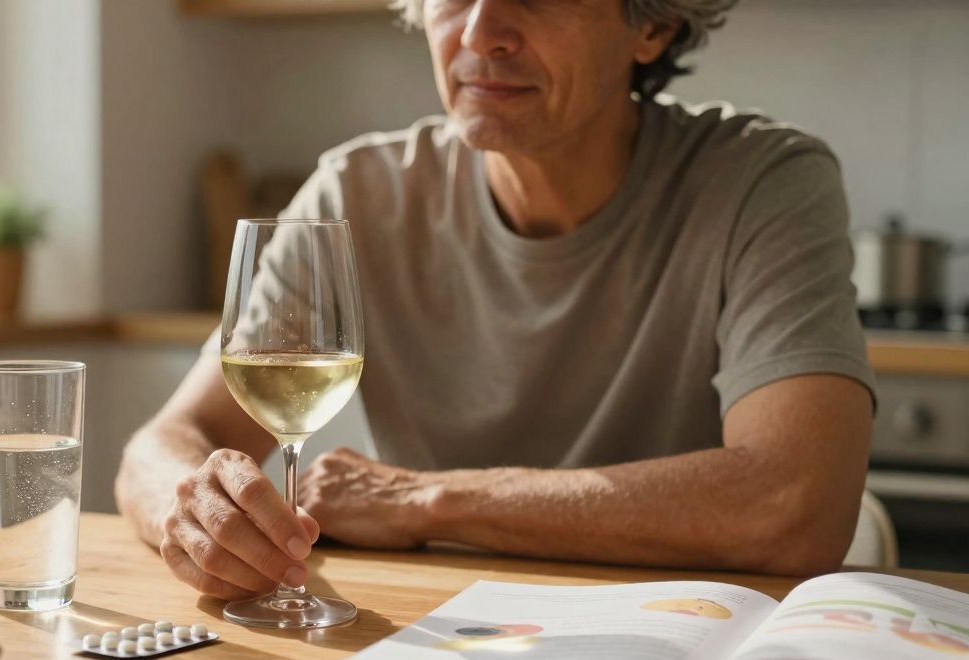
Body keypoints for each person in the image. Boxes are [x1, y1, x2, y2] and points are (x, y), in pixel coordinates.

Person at [115, 0, 876, 601]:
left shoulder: (763, 183)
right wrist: (196, 513)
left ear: (654, 23)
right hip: (434, 631)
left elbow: (794, 503)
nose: (481, 30)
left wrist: (425, 502)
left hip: (671, 643)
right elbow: (163, 443)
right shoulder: (357, 193)